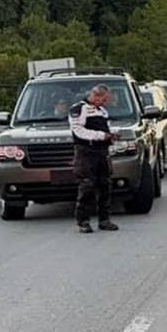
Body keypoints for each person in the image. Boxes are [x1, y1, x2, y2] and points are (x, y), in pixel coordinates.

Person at [69, 84, 119, 233]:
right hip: (86, 152)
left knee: (105, 185)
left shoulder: (101, 111)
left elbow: (106, 129)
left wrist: (111, 135)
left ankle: (104, 219)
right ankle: (83, 221)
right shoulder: (79, 109)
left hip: (102, 152)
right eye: (103, 99)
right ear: (95, 95)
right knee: (87, 186)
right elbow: (78, 131)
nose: (104, 103)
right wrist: (101, 136)